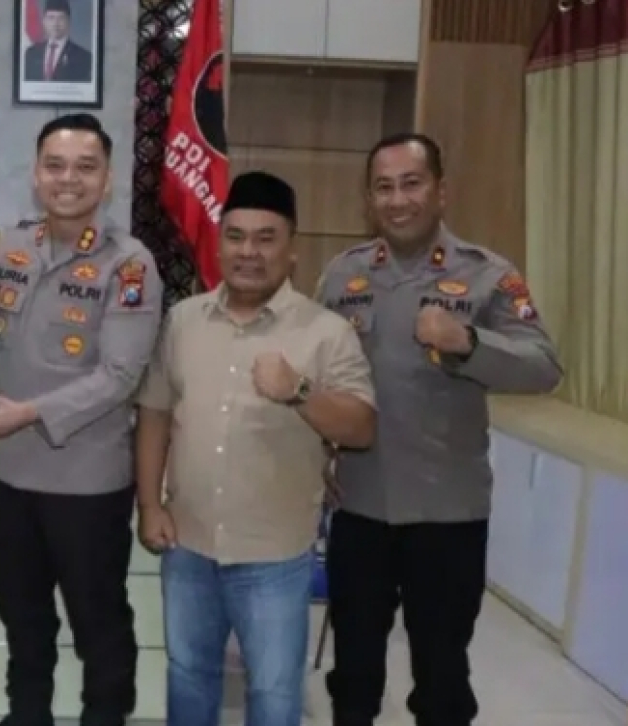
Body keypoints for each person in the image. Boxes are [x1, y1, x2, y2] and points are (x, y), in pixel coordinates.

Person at [316, 133, 563, 726]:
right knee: (353, 679)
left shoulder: (487, 275)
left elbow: (543, 367)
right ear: (369, 198)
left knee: (442, 679)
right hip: (361, 505)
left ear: (441, 191)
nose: (398, 199)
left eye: (412, 183)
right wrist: (316, 453)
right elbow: (316, 376)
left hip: (447, 513)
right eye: (384, 187)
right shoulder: (342, 276)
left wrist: (469, 342)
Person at [134, 171, 376, 726]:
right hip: (188, 545)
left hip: (274, 557)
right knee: (188, 675)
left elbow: (362, 428)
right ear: (219, 244)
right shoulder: (184, 320)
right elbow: (155, 413)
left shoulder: (326, 332)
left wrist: (299, 391)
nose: (249, 252)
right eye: (237, 236)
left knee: (273, 692)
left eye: (266, 238)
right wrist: (149, 504)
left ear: (292, 250)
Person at [0, 113, 161, 726]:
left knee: (98, 621)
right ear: (36, 174)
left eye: (85, 167)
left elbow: (120, 375)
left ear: (107, 179)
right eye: (56, 165)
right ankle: (28, 715)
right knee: (20, 611)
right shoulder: (7, 247)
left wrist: (30, 413)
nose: (68, 179)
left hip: (86, 483)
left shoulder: (130, 265)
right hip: (10, 473)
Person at [23, 0, 93, 83]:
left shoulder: (84, 57)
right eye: (51, 18)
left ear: (68, 22)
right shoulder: (31, 54)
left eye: (61, 18)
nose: (55, 24)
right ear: (44, 21)